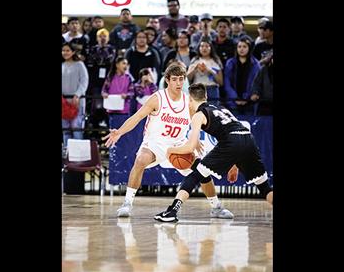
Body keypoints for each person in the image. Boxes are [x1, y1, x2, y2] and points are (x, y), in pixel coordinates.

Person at [103, 64, 234, 219]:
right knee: (140, 160)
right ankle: (127, 204)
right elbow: (137, 117)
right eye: (174, 79)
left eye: (181, 79)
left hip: (178, 144)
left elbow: (200, 122)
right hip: (155, 143)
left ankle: (216, 207)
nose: (179, 83)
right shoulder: (157, 98)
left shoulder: (189, 102)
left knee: (202, 171)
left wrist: (195, 138)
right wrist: (119, 132)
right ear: (167, 80)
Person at [154, 83, 273, 222]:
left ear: (190, 100)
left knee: (195, 175)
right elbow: (235, 131)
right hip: (248, 140)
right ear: (205, 97)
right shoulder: (222, 108)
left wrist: (170, 150)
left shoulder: (198, 115)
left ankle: (172, 211)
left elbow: (190, 147)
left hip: (232, 141)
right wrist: (235, 164)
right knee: (265, 188)